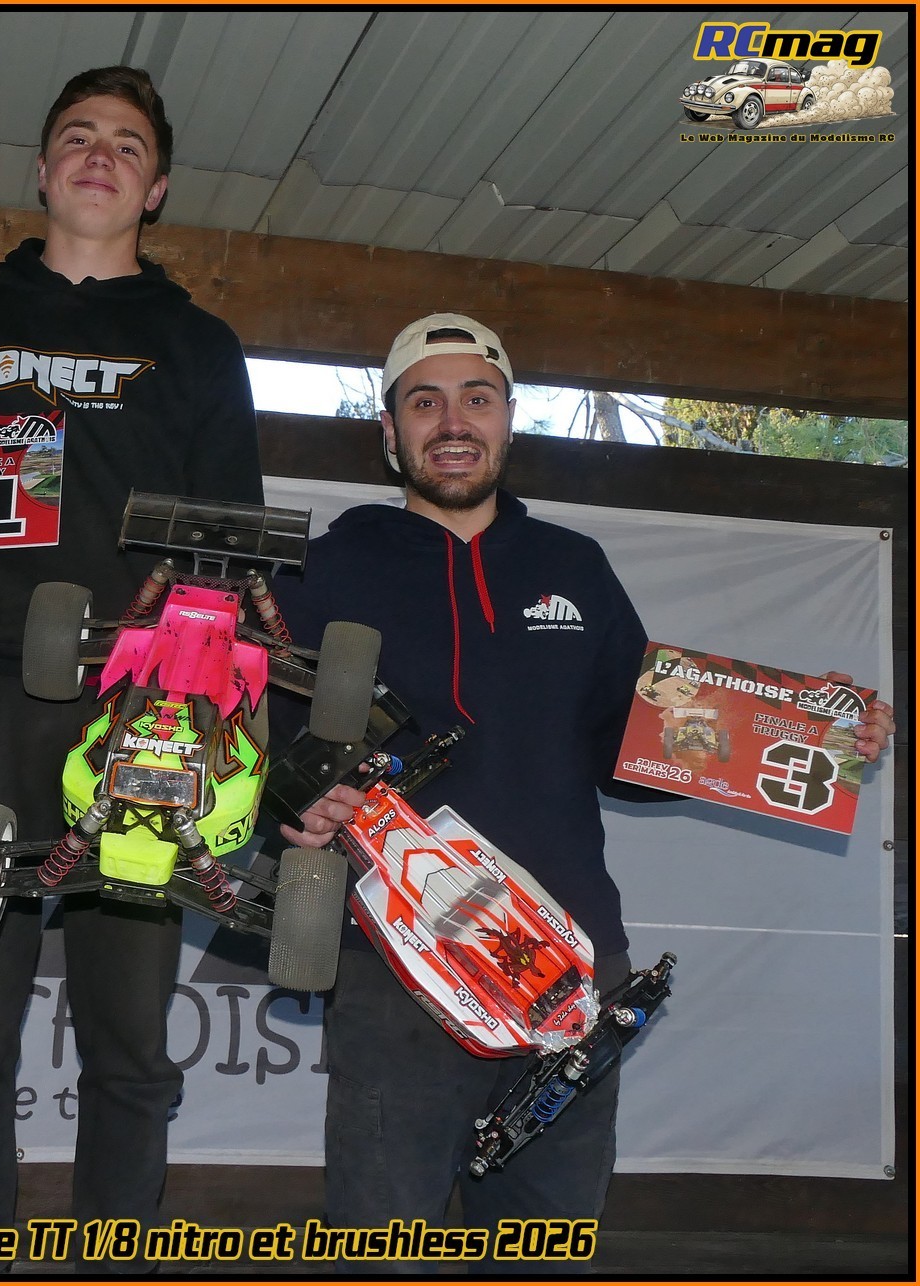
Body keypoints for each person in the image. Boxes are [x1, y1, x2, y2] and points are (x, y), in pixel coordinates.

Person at [269, 314, 896, 1259]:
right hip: (399, 969)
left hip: (570, 966)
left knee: (547, 1248)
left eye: (477, 399)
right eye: (425, 402)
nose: (453, 422)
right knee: (382, 1249)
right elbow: (258, 748)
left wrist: (811, 732)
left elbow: (634, 746)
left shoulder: (573, 567)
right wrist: (294, 802)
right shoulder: (321, 570)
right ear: (389, 430)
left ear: (508, 419)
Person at [0, 66, 262, 1252]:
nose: (100, 155)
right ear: (43, 172)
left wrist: (204, 693)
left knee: (130, 1030)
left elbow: (235, 543)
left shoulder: (199, 344)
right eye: (78, 137)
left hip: (140, 708)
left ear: (156, 189)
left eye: (127, 144)